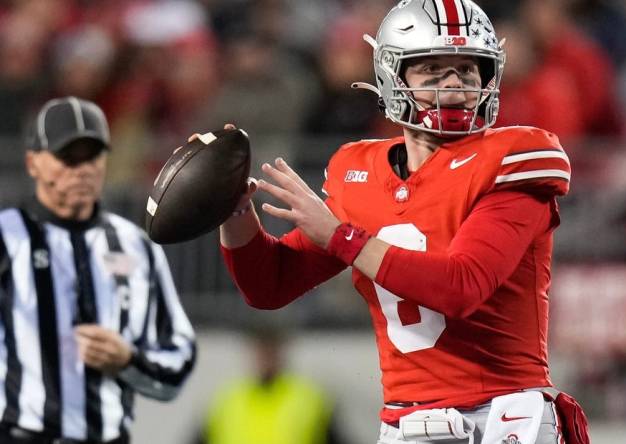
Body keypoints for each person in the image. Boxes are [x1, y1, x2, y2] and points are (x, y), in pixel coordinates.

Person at [215, 1, 589, 443]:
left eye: (468, 70)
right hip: (407, 423)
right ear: (394, 77)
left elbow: (462, 286)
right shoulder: (360, 172)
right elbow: (270, 285)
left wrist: (340, 237)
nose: (454, 84)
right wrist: (233, 209)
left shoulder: (513, 156)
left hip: (506, 417)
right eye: (432, 69)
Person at [0, 97, 197, 444]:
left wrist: (128, 359)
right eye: (68, 157)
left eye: (92, 156)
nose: (83, 169)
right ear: (33, 163)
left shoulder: (136, 245)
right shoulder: (7, 236)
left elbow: (178, 357)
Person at [196, 327, 339, 444]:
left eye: (270, 352)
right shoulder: (227, 399)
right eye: (261, 352)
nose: (266, 359)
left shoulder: (309, 398)